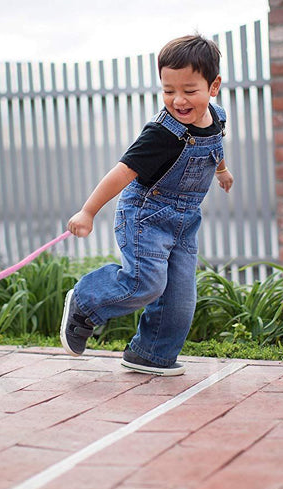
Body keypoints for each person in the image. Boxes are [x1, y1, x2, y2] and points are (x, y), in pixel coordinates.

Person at [60, 34, 233, 376]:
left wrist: (223, 172)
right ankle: (85, 301)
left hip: (185, 223)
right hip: (145, 216)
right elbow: (122, 172)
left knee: (180, 300)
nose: (178, 100)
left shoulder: (217, 116)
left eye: (188, 90)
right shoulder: (161, 134)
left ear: (213, 86)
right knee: (145, 282)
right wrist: (88, 211)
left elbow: (215, 145)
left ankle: (150, 354)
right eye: (169, 90)